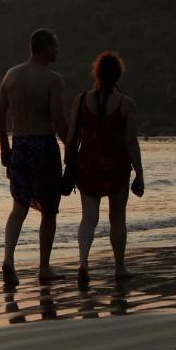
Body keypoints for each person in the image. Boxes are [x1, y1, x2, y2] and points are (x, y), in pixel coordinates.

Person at [0, 28, 69, 285]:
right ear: (44, 48)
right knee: (49, 210)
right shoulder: (52, 79)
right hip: (43, 145)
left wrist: (5, 148)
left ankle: (8, 259)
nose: (58, 51)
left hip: (20, 144)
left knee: (19, 206)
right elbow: (58, 118)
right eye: (55, 47)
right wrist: (71, 146)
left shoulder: (11, 75)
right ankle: (44, 267)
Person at [67, 52, 144, 286]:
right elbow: (131, 141)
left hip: (87, 167)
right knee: (117, 219)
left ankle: (83, 262)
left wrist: (69, 166)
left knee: (88, 218)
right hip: (116, 168)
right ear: (118, 75)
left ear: (96, 73)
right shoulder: (125, 103)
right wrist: (140, 172)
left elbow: (71, 138)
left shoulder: (80, 101)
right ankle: (119, 267)